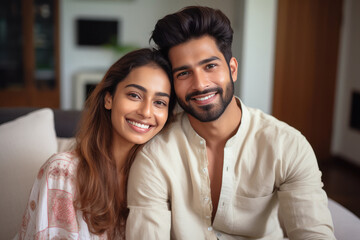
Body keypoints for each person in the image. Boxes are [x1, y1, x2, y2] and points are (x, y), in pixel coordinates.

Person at [126, 6, 335, 240]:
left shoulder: (287, 146)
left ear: (232, 69)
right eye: (184, 73)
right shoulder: (155, 155)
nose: (200, 84)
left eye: (210, 66)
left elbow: (313, 234)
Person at [15, 48, 176, 240]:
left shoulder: (162, 178)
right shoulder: (62, 172)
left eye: (160, 102)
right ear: (109, 98)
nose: (146, 112)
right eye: (134, 95)